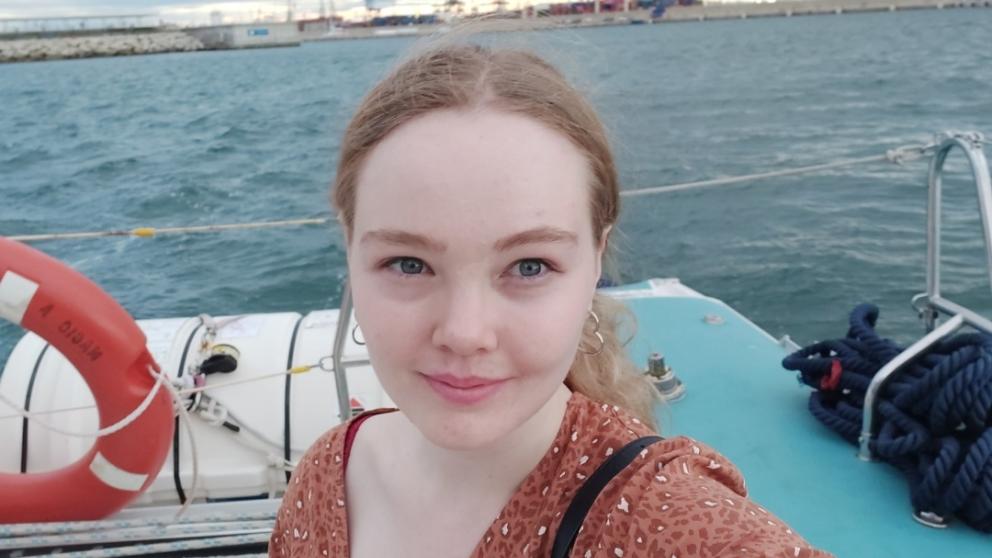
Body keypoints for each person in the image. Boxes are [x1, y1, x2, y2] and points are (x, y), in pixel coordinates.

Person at [269, 42, 831, 558]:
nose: (466, 333)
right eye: (408, 264)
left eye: (530, 266)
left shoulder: (665, 524)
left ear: (595, 263)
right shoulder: (326, 474)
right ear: (350, 250)